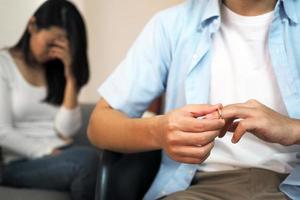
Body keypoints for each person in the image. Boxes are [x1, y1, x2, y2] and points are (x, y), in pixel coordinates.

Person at [88, 0, 300, 199]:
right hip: (197, 188)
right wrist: (159, 131)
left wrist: (294, 129)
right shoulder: (171, 25)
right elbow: (98, 125)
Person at [0, 0, 98, 199]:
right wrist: (46, 150)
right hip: (19, 162)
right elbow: (2, 132)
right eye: (51, 42)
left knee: (113, 159)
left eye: (62, 45)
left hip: (62, 153)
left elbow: (65, 130)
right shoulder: (4, 66)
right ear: (32, 26)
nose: (54, 51)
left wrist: (71, 77)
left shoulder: (56, 70)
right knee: (87, 162)